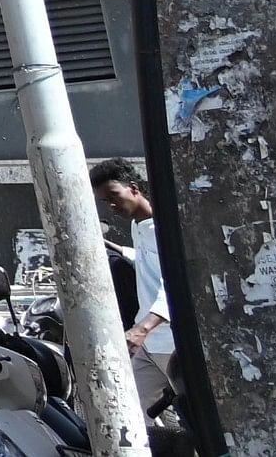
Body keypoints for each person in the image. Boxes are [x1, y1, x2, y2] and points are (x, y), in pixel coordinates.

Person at [90, 160, 176, 424]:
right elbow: (145, 260)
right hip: (148, 347)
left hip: (170, 346)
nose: (112, 205)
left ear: (134, 189)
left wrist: (142, 329)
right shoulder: (139, 224)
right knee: (126, 415)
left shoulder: (166, 227)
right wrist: (110, 246)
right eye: (105, 201)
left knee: (197, 420)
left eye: (113, 196)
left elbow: (172, 283)